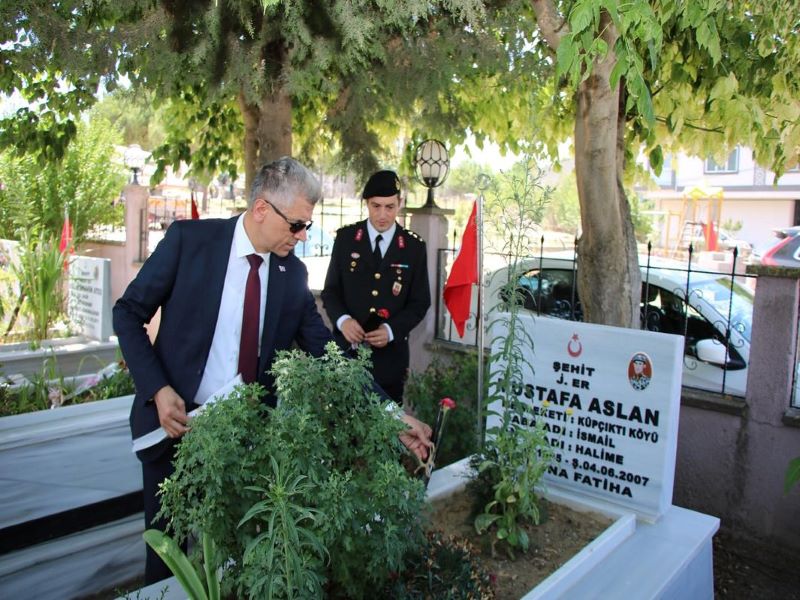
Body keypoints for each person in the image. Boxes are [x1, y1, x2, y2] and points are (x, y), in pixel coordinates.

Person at [113, 157, 432, 584]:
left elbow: (331, 359)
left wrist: (391, 415)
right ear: (262, 209)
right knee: (166, 564)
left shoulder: (290, 274)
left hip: (244, 443)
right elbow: (128, 313)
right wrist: (158, 389)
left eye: (307, 227)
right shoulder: (191, 241)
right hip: (172, 426)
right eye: (297, 225)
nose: (302, 237)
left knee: (238, 567)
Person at [321, 170, 431, 403]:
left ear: (400, 204)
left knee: (387, 432)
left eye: (389, 207)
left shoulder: (413, 247)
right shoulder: (346, 239)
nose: (382, 214)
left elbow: (420, 302)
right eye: (376, 206)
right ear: (366, 204)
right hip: (346, 356)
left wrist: (391, 331)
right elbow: (331, 291)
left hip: (389, 362)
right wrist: (343, 321)